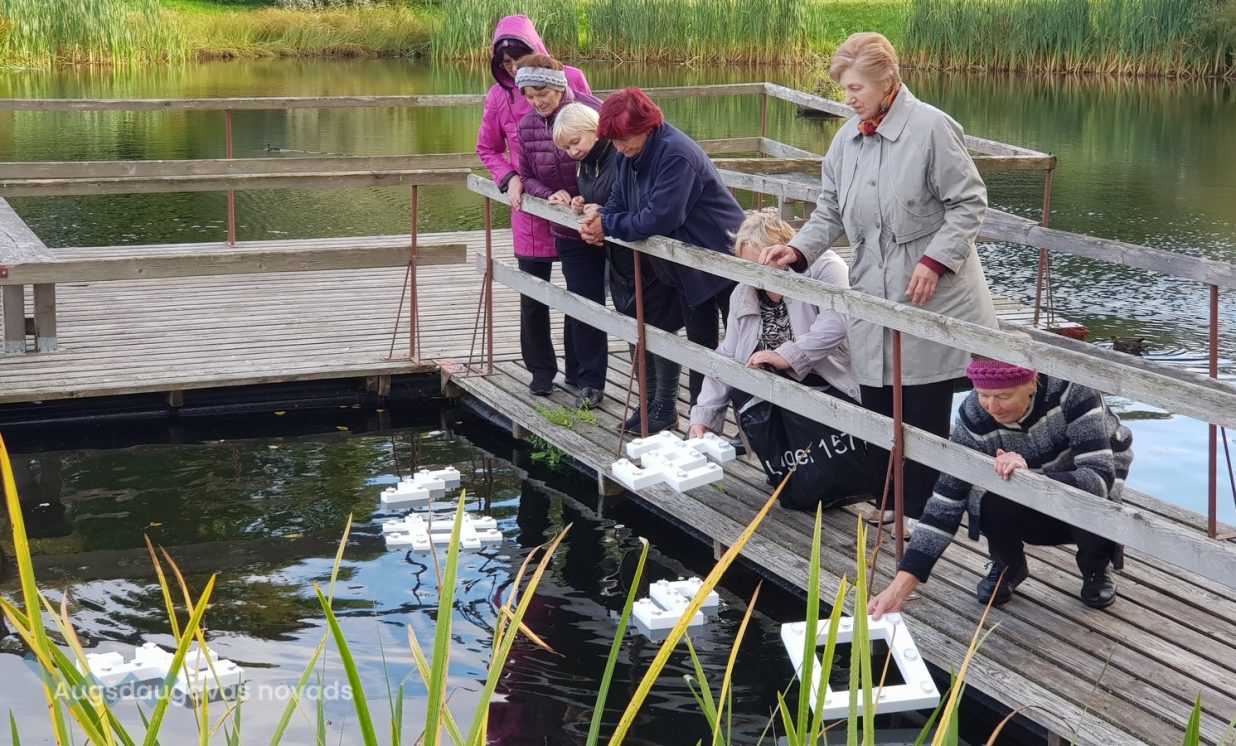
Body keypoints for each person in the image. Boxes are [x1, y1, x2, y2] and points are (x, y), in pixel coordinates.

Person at [758, 32, 998, 523]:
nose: (847, 99)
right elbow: (829, 210)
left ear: (887, 82)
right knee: (878, 400)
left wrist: (935, 261)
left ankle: (920, 513)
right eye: (844, 89)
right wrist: (798, 250)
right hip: (872, 291)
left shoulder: (932, 128)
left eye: (855, 88)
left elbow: (969, 203)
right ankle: (890, 499)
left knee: (922, 406)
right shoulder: (845, 140)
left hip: (932, 293)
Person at [868, 352, 1133, 616]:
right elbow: (945, 504)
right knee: (984, 491)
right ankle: (1007, 565)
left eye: (1003, 396)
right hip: (1025, 486)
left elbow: (1098, 479)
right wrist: (898, 589)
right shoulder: (973, 414)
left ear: (1032, 383)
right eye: (983, 395)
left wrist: (1028, 477)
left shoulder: (1074, 392)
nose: (992, 407)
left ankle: (1096, 566)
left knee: (1099, 496)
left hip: (1082, 484)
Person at [579, 87, 740, 409]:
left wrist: (608, 226)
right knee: (698, 346)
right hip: (687, 266)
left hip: (724, 259)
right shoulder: (629, 155)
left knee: (740, 348)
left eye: (624, 138)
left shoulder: (675, 153)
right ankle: (700, 421)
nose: (619, 147)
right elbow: (619, 199)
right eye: (614, 140)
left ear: (646, 125)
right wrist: (601, 219)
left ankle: (747, 426)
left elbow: (661, 217)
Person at [475, 15, 592, 397]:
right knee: (534, 297)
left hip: (574, 205)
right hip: (529, 206)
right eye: (505, 62)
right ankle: (541, 371)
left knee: (579, 294)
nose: (512, 67)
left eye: (518, 57)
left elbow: (591, 129)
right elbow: (487, 148)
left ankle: (579, 371)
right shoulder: (498, 97)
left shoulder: (572, 78)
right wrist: (510, 177)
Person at [552, 102, 684, 433]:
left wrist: (605, 219)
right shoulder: (587, 164)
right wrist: (585, 206)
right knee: (633, 329)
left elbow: (636, 203)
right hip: (619, 257)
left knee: (659, 330)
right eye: (566, 147)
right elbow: (609, 202)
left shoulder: (620, 155)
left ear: (593, 129)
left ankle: (665, 405)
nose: (572, 151)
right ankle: (647, 401)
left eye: (575, 142)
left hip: (646, 256)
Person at [687, 209, 860, 436]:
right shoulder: (742, 294)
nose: (752, 276)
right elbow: (727, 356)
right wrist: (705, 417)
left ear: (781, 253)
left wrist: (787, 356)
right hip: (777, 396)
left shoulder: (826, 266)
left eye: (759, 265)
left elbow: (836, 324)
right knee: (742, 386)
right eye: (746, 266)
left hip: (829, 384)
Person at [513, 56, 608, 409]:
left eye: (542, 93)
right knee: (583, 304)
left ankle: (651, 389)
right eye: (529, 96)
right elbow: (526, 175)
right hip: (568, 228)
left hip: (609, 220)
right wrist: (549, 193)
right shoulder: (526, 127)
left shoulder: (591, 110)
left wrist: (598, 201)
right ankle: (590, 382)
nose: (536, 102)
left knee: (632, 305)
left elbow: (619, 160)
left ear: (557, 86)